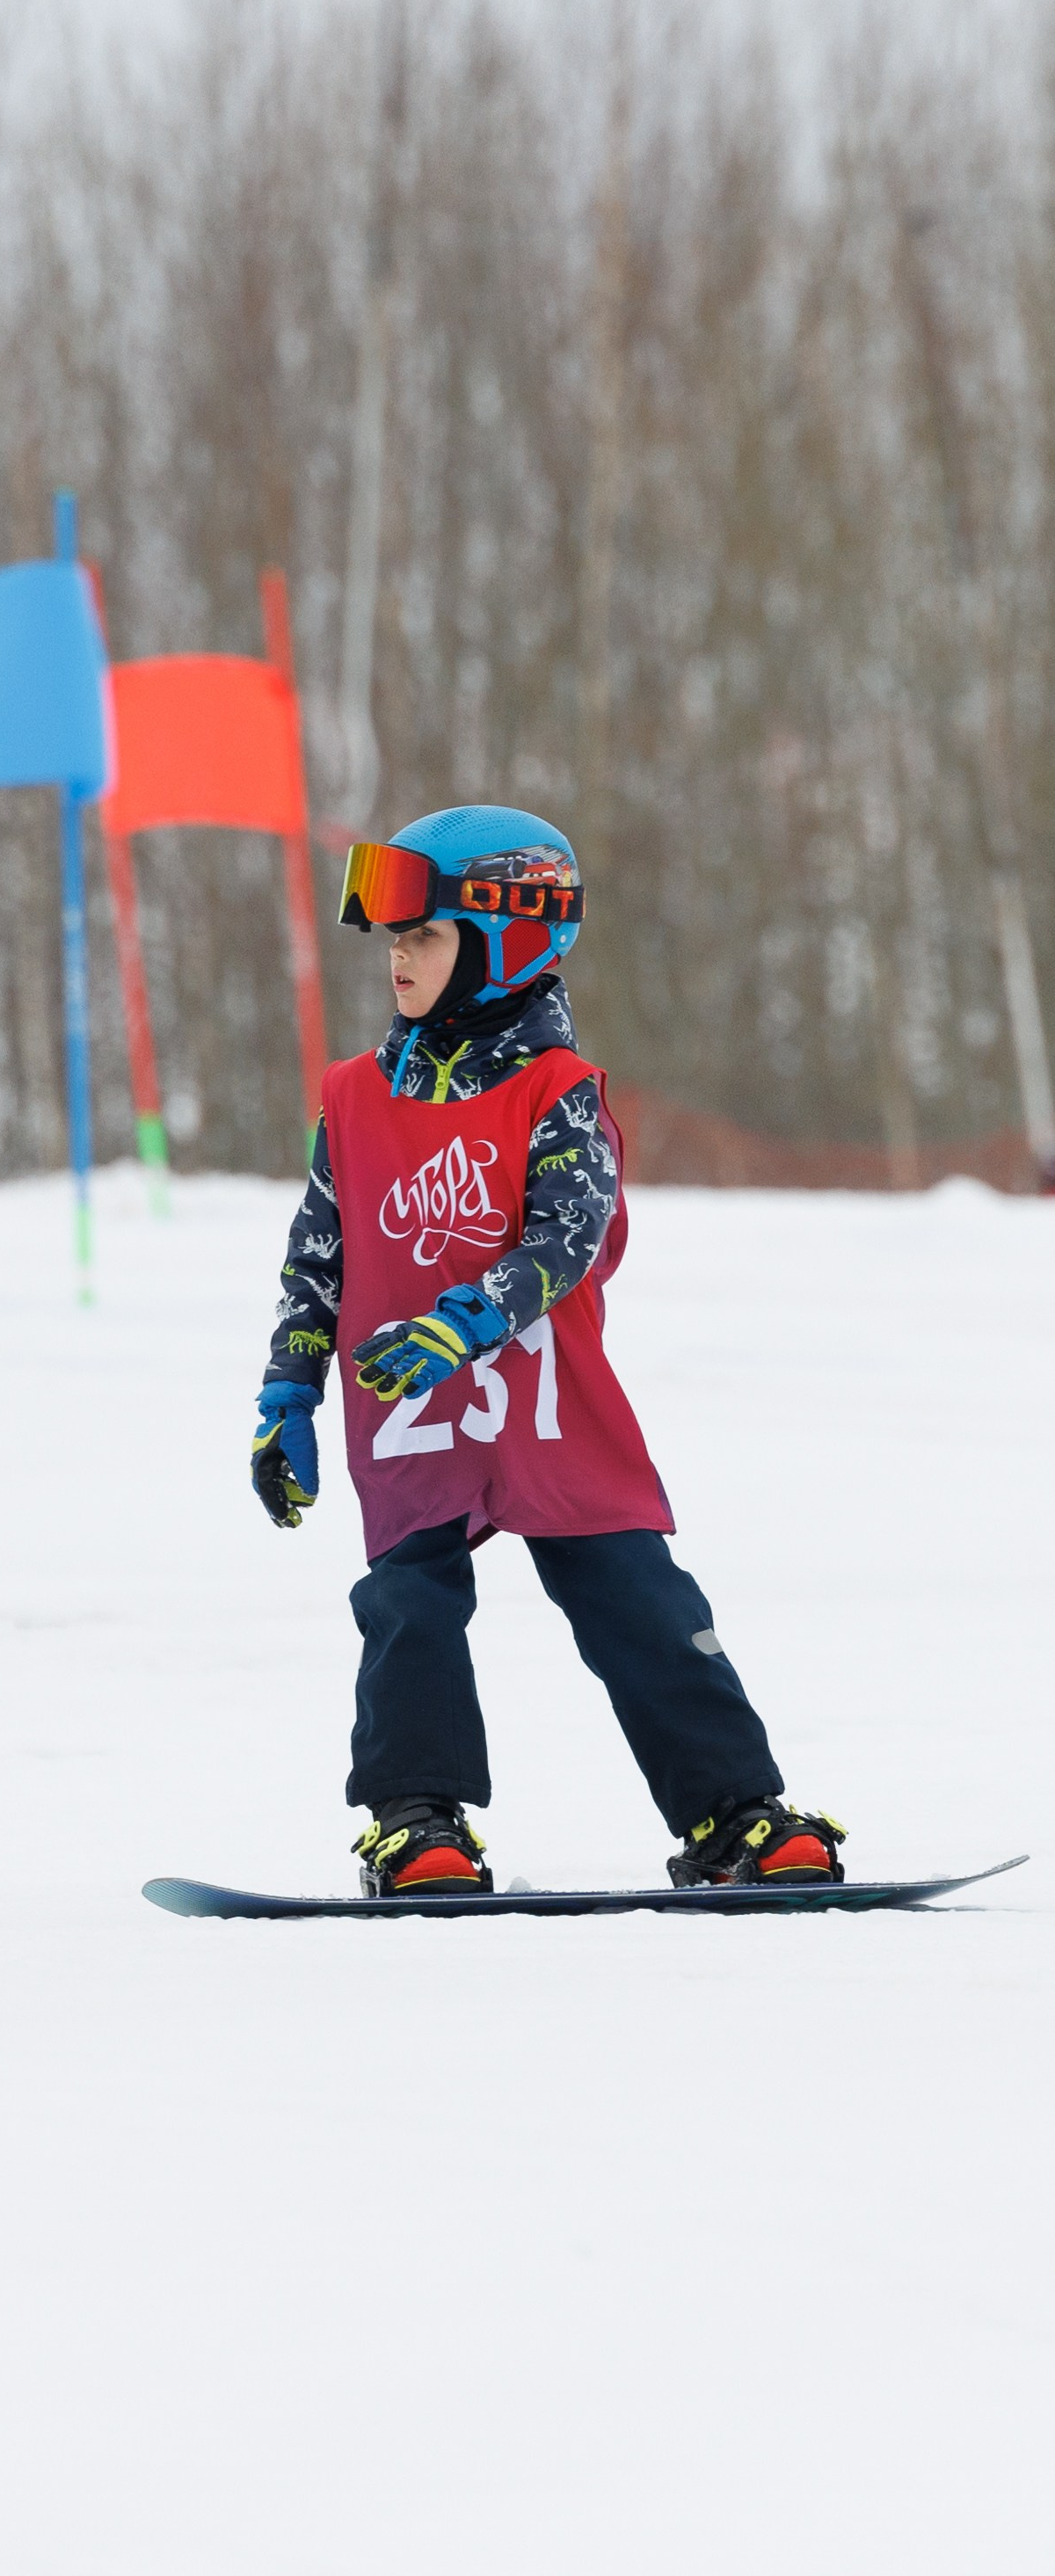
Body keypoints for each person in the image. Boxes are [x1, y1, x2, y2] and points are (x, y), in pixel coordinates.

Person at [251, 803, 843, 1896]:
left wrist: (469, 1320)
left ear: (506, 940)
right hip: (415, 1414)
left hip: (551, 1411)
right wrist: (288, 1390)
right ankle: (417, 1824)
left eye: (425, 935)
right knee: (408, 1612)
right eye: (394, 939)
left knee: (639, 1603)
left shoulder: (557, 1094)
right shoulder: (352, 1099)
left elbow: (569, 1234)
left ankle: (738, 1816)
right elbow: (316, 1256)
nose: (398, 958)